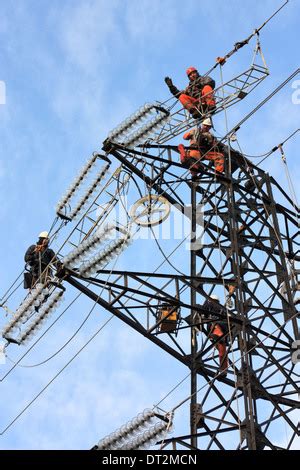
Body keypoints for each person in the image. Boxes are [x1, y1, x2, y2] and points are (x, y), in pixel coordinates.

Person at [202, 294, 229, 376]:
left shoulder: (209, 303)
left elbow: (203, 311)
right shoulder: (221, 307)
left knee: (220, 345)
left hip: (215, 326)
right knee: (222, 350)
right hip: (223, 329)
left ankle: (223, 369)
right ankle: (224, 369)